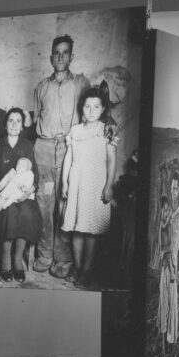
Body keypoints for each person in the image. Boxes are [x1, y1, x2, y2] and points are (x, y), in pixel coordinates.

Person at [32, 34, 89, 279]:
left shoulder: (80, 84)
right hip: (44, 149)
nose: (60, 56)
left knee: (66, 204)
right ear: (50, 57)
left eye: (65, 52)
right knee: (44, 204)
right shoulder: (41, 87)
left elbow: (91, 114)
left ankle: (63, 257)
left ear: (71, 56)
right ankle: (45, 254)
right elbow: (36, 118)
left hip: (69, 149)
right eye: (56, 52)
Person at [60, 87, 118, 288]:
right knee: (77, 228)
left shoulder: (107, 130)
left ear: (103, 109)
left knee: (91, 231)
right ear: (81, 108)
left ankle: (87, 270)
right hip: (77, 183)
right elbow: (69, 157)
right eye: (87, 106)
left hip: (96, 184)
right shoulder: (75, 131)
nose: (91, 110)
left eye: (96, 106)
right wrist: (65, 182)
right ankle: (77, 267)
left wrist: (109, 185)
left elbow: (111, 160)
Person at [0, 108, 42, 283]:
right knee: (9, 213)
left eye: (18, 121)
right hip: (4, 196)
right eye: (11, 120)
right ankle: (6, 259)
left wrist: (28, 192)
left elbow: (35, 176)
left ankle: (18, 259)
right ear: (5, 124)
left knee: (27, 213)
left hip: (23, 195)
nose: (14, 124)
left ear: (23, 125)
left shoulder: (27, 145)